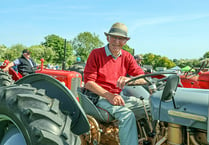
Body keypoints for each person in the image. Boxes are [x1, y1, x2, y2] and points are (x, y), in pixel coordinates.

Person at [84, 22, 149, 145]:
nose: (117, 41)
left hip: (119, 97)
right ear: (108, 38)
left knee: (154, 107)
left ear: (125, 41)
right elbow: (89, 83)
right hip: (99, 97)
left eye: (121, 39)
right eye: (114, 37)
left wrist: (130, 80)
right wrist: (109, 95)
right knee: (127, 115)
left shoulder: (127, 57)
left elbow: (144, 78)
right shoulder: (96, 54)